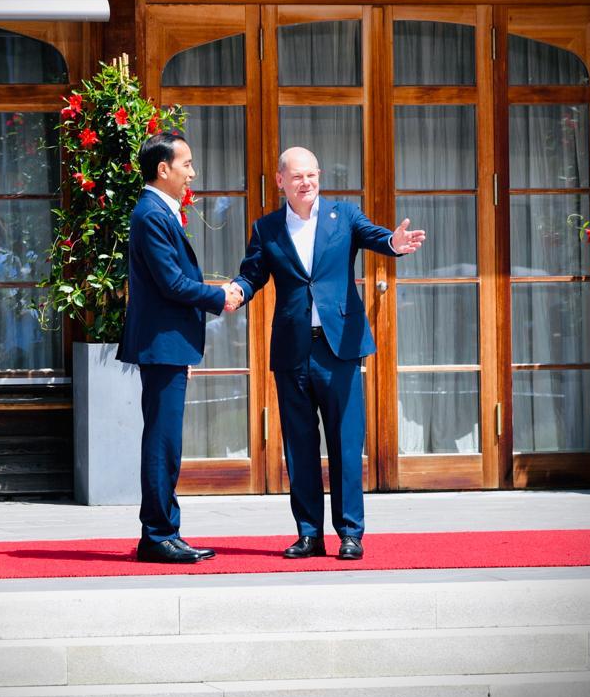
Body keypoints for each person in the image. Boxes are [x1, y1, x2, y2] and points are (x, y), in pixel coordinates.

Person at [230, 147, 425, 560]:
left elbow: (377, 237)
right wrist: (236, 292)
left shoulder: (344, 215)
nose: (306, 182)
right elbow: (253, 275)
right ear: (280, 181)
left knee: (345, 443)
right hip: (293, 351)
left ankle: (351, 533)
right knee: (300, 447)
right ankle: (308, 534)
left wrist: (395, 241)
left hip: (339, 349)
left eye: (312, 175)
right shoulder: (266, 229)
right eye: (297, 176)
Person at [117, 133, 242, 564]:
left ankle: (165, 531)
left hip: (170, 346)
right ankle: (157, 535)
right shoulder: (150, 214)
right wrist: (219, 296)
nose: (193, 171)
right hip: (162, 345)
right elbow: (170, 282)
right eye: (186, 163)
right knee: (162, 443)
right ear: (163, 169)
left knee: (166, 442)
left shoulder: (161, 211)